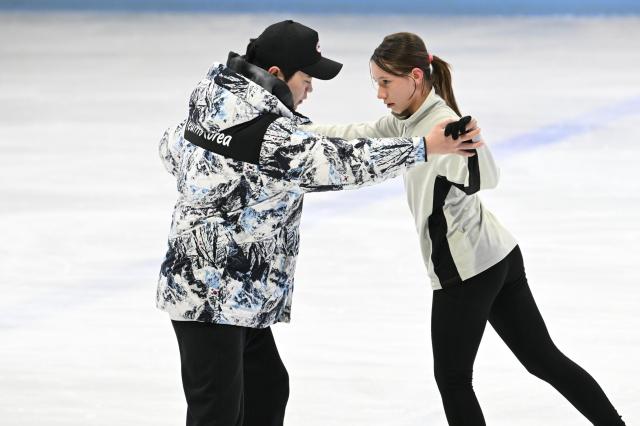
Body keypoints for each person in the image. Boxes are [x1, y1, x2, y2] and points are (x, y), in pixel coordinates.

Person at [156, 21, 482, 426]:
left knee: (268, 386)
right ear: (275, 75)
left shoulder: (216, 100)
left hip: (235, 291)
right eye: (307, 77)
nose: (310, 88)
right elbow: (340, 165)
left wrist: (221, 181)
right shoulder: (267, 135)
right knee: (217, 411)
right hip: (210, 294)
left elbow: (170, 147)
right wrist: (423, 148)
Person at [303, 32, 626, 426]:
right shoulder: (408, 122)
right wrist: (296, 132)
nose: (380, 93)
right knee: (544, 360)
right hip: (498, 255)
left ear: (416, 77)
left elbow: (484, 177)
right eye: (377, 83)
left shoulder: (441, 126)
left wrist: (473, 146)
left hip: (467, 269)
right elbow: (360, 134)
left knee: (454, 379)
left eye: (386, 82)